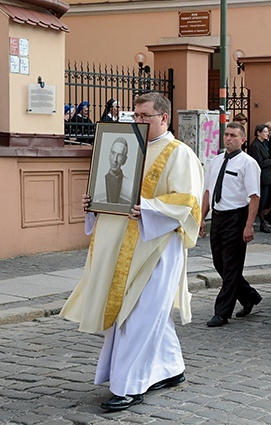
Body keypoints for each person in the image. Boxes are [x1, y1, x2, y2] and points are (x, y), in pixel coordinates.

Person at [60, 92, 204, 410]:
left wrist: (149, 208)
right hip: (122, 247)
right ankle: (172, 368)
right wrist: (95, 204)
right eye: (134, 116)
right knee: (149, 315)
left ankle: (129, 385)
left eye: (144, 116)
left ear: (164, 118)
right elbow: (115, 193)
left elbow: (189, 202)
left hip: (157, 249)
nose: (137, 121)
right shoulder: (127, 146)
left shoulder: (179, 153)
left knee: (137, 317)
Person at [200, 122, 263, 327]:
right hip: (218, 217)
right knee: (220, 263)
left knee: (232, 266)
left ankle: (222, 312)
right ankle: (249, 296)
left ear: (243, 139)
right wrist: (202, 217)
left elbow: (254, 196)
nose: (229, 138)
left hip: (237, 217)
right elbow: (208, 192)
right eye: (226, 135)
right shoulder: (215, 161)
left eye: (234, 135)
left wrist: (249, 225)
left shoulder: (248, 163)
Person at [248, 124, 271, 233]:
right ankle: (262, 223)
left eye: (267, 131)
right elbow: (258, 162)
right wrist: (270, 161)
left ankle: (266, 218)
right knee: (262, 200)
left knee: (267, 200)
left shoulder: (265, 143)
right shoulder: (255, 146)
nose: (267, 133)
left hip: (268, 176)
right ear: (258, 133)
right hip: (262, 177)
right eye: (264, 131)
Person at [94, 137, 131, 204]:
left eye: (119, 155)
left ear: (124, 160)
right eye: (113, 153)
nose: (115, 160)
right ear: (109, 155)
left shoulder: (131, 186)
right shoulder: (96, 184)